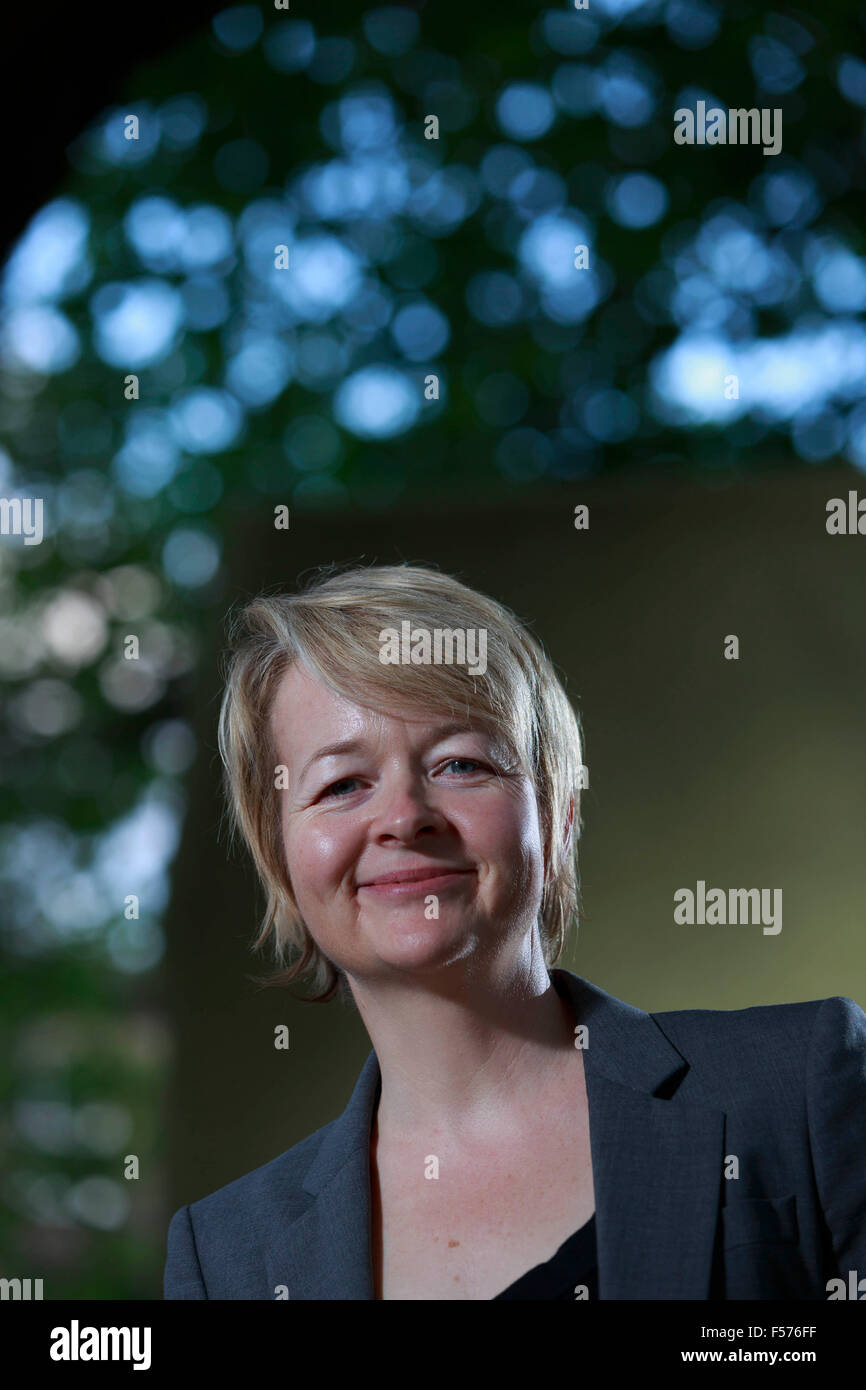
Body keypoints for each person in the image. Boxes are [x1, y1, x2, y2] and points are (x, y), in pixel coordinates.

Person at [164, 563, 866, 1300]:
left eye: (460, 764)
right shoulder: (225, 1260)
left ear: (558, 815)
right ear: (281, 857)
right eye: (342, 785)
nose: (404, 818)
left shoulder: (802, 1088)